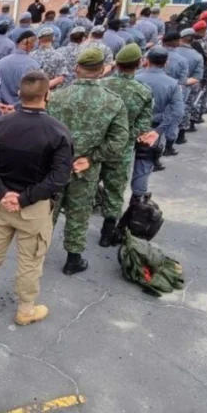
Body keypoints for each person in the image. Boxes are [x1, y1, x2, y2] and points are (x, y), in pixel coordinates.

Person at [0, 72, 72, 325]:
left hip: (1, 203)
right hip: (35, 207)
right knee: (30, 260)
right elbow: (59, 177)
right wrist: (25, 198)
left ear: (19, 93)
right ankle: (25, 309)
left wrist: (3, 193)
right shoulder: (58, 131)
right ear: (46, 95)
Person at [47, 48, 129, 274]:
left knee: (47, 212)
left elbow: (42, 134)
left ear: (76, 69)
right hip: (86, 169)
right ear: (102, 71)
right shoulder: (113, 102)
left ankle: (36, 256)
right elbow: (118, 141)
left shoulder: (55, 97)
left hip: (54, 167)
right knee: (79, 212)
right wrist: (91, 158)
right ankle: (73, 260)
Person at [97, 44, 153, 247]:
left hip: (96, 146)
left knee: (87, 186)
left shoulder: (101, 85)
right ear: (139, 63)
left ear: (117, 64)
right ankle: (107, 232)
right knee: (115, 190)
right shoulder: (143, 92)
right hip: (121, 149)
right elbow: (144, 125)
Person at [133, 48, 184, 202]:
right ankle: (136, 202)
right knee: (143, 165)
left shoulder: (134, 77)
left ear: (146, 60)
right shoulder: (172, 84)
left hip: (128, 127)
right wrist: (159, 130)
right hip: (153, 128)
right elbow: (177, 112)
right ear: (166, 62)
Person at [0, 30, 40, 108]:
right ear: (32, 46)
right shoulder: (34, 65)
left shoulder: (0, 63)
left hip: (1, 109)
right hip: (22, 111)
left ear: (17, 43)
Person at [176, 28, 206, 147]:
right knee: (186, 108)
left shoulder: (171, 51)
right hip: (188, 86)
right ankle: (181, 135)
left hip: (169, 85)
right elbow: (197, 77)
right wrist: (183, 83)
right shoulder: (197, 56)